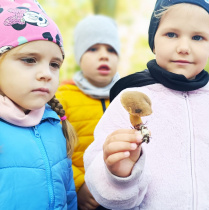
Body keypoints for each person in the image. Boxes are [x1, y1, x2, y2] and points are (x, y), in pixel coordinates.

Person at [83, 0, 209, 209]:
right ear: (154, 40)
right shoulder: (130, 100)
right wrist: (119, 174)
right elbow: (103, 184)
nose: (183, 48)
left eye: (198, 37)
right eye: (171, 34)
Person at [0, 0, 77, 209]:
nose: (46, 74)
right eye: (29, 60)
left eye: (54, 64)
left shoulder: (55, 124)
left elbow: (69, 196)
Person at [55, 15, 120, 210]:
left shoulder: (127, 96)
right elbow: (54, 150)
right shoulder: (61, 97)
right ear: (79, 56)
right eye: (93, 49)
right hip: (83, 199)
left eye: (111, 49)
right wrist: (78, 184)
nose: (104, 55)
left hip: (122, 194)